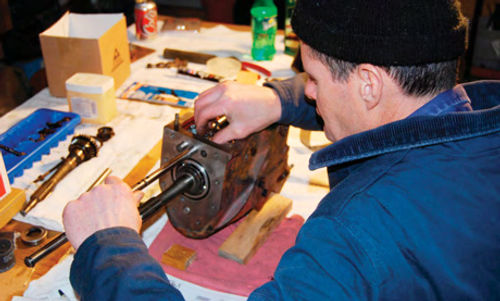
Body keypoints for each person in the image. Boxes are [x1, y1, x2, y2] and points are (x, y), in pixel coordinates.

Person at [63, 0, 500, 300]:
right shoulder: (481, 117)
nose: (308, 92)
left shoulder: (355, 235)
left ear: (369, 83)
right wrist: (278, 100)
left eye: (312, 78)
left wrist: (109, 250)